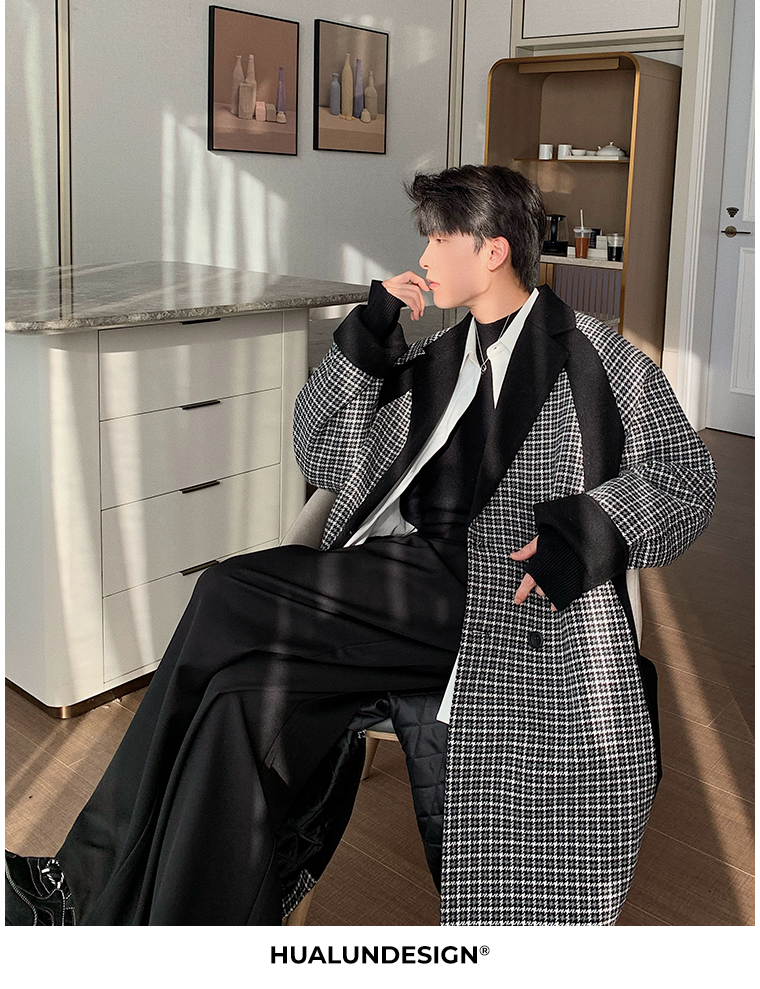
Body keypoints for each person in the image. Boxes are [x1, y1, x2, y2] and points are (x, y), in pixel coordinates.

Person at [6, 164, 716, 927]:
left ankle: (77, 878)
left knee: (223, 590)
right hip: (402, 578)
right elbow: (320, 452)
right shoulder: (439, 358)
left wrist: (580, 536)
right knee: (236, 699)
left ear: (494, 251)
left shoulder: (599, 356)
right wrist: (369, 333)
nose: (426, 255)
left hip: (500, 603)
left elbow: (687, 479)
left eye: (440, 238)